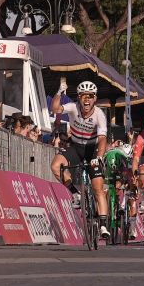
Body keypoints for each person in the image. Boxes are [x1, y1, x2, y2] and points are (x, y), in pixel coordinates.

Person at [49, 79, 110, 238]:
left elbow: (102, 139)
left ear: (95, 98)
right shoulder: (72, 108)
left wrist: (99, 157)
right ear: (79, 97)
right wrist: (59, 92)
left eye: (90, 96)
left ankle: (103, 225)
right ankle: (75, 193)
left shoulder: (99, 115)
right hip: (75, 147)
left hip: (92, 149)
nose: (87, 99)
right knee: (56, 166)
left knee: (98, 188)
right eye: (83, 96)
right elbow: (55, 108)